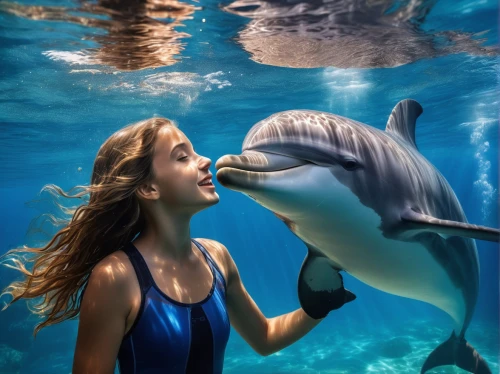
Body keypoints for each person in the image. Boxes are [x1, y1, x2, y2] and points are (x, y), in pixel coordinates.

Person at [1, 117, 349, 374]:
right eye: (183, 157)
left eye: (194, 152)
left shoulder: (217, 257)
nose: (205, 161)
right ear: (148, 189)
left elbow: (265, 338)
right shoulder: (116, 277)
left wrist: (317, 308)